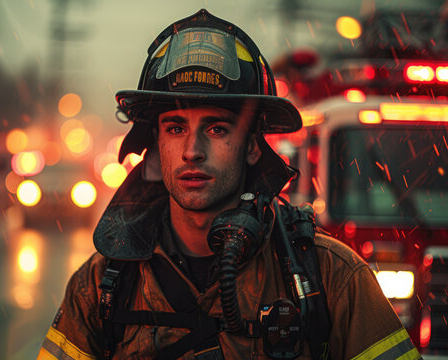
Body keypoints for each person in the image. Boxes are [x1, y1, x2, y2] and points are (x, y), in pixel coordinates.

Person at [37, 9, 421, 360]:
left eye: (217, 129)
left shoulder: (331, 277)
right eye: (175, 128)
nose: (192, 151)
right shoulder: (101, 286)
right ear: (156, 145)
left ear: (253, 147)